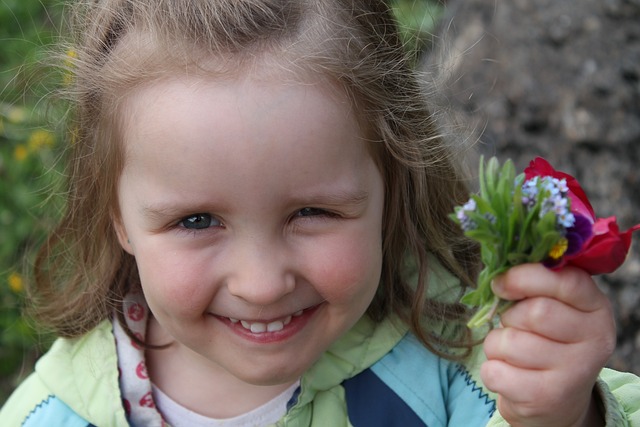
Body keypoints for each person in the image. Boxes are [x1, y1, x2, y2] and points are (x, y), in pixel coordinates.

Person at [1, 0, 639, 425]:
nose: (261, 282)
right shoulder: (50, 417)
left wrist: (565, 413)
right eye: (196, 221)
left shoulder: (462, 359)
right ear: (116, 215)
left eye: (311, 211)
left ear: (392, 182)